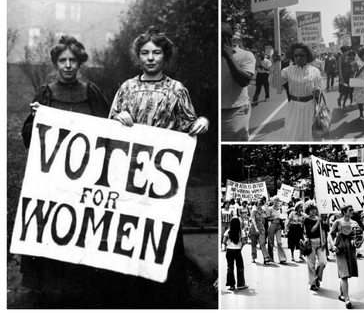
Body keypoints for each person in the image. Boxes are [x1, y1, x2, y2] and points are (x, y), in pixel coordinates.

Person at [108, 26, 209, 307]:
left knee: (163, 234)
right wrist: (120, 117)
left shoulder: (177, 90)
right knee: (130, 232)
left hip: (163, 178)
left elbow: (191, 125)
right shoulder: (126, 88)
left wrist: (203, 122)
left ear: (165, 56)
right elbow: (109, 126)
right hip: (130, 175)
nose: (150, 58)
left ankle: (167, 300)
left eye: (156, 52)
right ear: (138, 56)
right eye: (144, 52)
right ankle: (129, 298)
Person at [20, 35, 113, 308]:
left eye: (73, 60)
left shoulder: (92, 92)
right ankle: (52, 289)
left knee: (81, 229)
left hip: (86, 176)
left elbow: (109, 134)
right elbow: (28, 137)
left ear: (80, 63)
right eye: (63, 61)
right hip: (53, 178)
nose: (68, 65)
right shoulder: (45, 94)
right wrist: (37, 117)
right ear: (55, 63)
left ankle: (81, 289)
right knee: (53, 227)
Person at [280, 43, 323, 141]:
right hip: (295, 106)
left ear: (307, 56)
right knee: (293, 134)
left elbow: (319, 86)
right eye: (296, 56)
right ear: (292, 57)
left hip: (310, 107)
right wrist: (275, 63)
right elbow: (275, 84)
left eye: (302, 55)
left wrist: (318, 91)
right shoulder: (287, 70)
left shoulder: (315, 71)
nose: (299, 58)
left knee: (310, 135)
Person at [221, 22, 255, 141]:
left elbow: (244, 81)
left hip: (234, 114)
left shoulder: (245, 55)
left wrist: (229, 56)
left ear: (228, 38)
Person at [328, 205, 362, 309]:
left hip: (350, 249)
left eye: (352, 209)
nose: (352, 211)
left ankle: (341, 292)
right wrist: (332, 245)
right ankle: (347, 299)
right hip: (340, 248)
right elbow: (330, 234)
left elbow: (358, 237)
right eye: (350, 210)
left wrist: (358, 242)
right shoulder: (337, 222)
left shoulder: (354, 223)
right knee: (344, 274)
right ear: (344, 212)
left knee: (347, 273)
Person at [304, 203, 328, 291]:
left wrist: (324, 242)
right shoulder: (307, 220)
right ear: (308, 212)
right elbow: (311, 231)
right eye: (311, 210)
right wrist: (318, 222)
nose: (313, 211)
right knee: (311, 264)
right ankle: (313, 283)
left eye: (314, 209)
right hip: (311, 242)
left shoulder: (320, 219)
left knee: (323, 262)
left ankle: (317, 277)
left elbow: (324, 231)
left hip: (320, 242)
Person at [225, 217, 248, 291]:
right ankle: (240, 284)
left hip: (229, 250)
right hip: (237, 251)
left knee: (230, 267)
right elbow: (244, 242)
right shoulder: (241, 232)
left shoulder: (228, 231)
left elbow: (223, 241)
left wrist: (227, 245)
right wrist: (240, 246)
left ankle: (231, 285)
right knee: (240, 267)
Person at [250, 197, 273, 264]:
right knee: (253, 244)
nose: (260, 204)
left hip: (261, 229)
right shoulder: (254, 211)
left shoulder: (263, 211)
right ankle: (253, 257)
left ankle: (266, 257)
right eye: (259, 203)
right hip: (254, 229)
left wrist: (264, 228)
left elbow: (264, 220)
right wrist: (256, 228)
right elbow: (253, 220)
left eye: (261, 203)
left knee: (262, 243)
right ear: (256, 203)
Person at [266, 197, 288, 263]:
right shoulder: (270, 209)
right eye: (275, 200)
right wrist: (274, 218)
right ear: (273, 201)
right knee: (271, 242)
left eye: (278, 200)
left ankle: (282, 258)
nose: (276, 202)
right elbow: (267, 218)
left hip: (279, 225)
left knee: (279, 242)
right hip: (272, 225)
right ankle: (271, 257)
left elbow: (284, 217)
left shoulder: (280, 209)